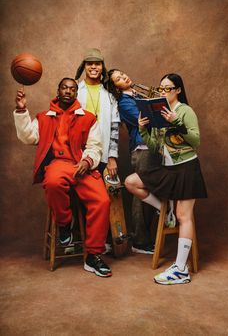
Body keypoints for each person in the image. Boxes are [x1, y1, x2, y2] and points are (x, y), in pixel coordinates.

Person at [13, 77, 112, 278]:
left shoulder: (88, 117)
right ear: (58, 91)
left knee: (102, 201)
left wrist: (87, 162)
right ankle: (65, 224)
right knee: (53, 182)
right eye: (64, 88)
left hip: (81, 164)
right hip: (59, 164)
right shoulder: (44, 117)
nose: (68, 91)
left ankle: (93, 255)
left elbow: (95, 146)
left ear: (76, 93)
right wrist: (22, 110)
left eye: (72, 89)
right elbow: (28, 137)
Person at [124, 73, 207, 284]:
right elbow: (155, 147)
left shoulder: (185, 111)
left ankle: (180, 269)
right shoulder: (158, 113)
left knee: (183, 216)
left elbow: (195, 140)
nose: (163, 92)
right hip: (168, 169)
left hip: (186, 168)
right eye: (161, 89)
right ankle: (164, 208)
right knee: (131, 182)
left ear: (178, 90)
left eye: (168, 88)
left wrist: (176, 122)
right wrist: (143, 128)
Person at [105, 69, 176, 254]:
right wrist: (158, 106)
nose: (124, 77)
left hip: (155, 147)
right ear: (115, 87)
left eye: (123, 74)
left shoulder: (137, 94)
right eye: (118, 79)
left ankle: (145, 236)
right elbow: (146, 120)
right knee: (141, 192)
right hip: (142, 148)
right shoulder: (124, 102)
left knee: (147, 189)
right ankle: (140, 241)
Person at [75, 48, 120, 178]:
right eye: (89, 63)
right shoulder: (75, 91)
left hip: (104, 156)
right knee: (77, 195)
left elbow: (114, 128)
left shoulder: (110, 94)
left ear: (102, 67)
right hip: (78, 155)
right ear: (84, 66)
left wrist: (112, 157)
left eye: (97, 63)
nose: (93, 67)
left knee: (106, 195)